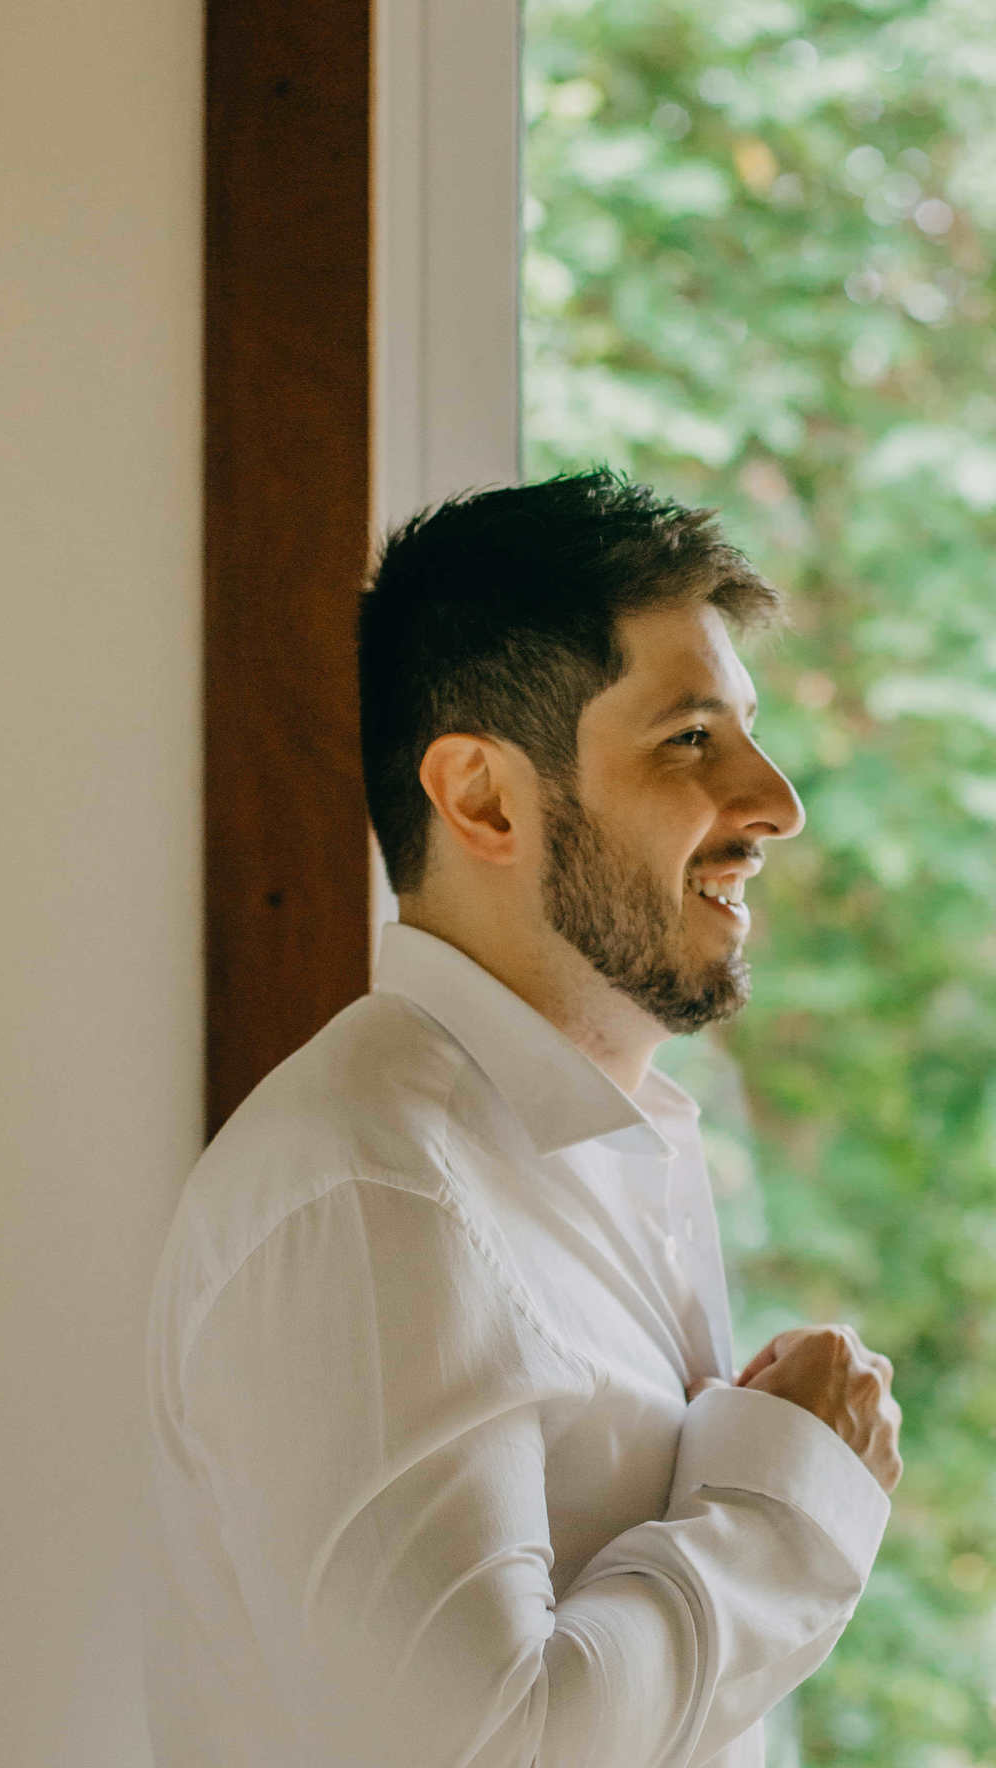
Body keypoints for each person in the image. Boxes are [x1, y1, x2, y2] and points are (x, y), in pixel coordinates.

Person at [141, 467, 902, 1768]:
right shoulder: (370, 1194)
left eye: (752, 731)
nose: (775, 802)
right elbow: (486, 1746)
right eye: (690, 741)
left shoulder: (584, 1161)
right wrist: (790, 1499)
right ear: (485, 797)